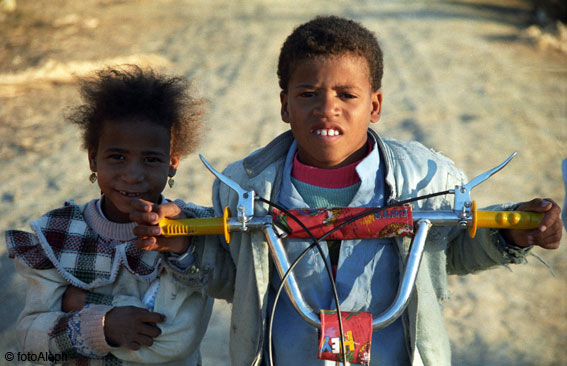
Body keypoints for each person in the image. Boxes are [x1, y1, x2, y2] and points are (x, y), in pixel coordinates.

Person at [130, 16, 563, 366]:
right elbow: (239, 277)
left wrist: (509, 233)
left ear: (374, 105)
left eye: (346, 94)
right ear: (284, 105)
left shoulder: (426, 182)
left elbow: (446, 255)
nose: (327, 107)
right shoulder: (245, 188)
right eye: (308, 93)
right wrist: (184, 242)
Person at [5, 65, 214, 365]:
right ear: (93, 158)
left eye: (151, 159)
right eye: (117, 157)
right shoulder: (59, 233)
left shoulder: (186, 233)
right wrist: (104, 325)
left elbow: (174, 340)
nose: (132, 176)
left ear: (173, 163)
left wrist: (79, 302)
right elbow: (30, 341)